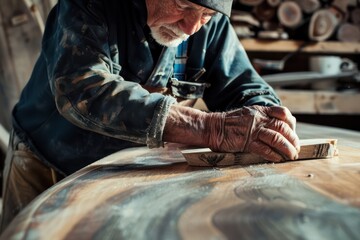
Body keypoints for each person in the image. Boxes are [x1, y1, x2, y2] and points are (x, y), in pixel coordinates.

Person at [0, 0, 300, 232]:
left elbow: (243, 86)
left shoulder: (206, 22)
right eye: (182, 6)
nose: (192, 26)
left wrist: (265, 117)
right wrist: (210, 128)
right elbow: (85, 90)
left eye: (206, 15)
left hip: (127, 174)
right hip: (48, 161)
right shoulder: (89, 6)